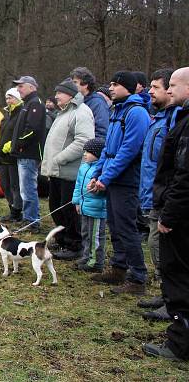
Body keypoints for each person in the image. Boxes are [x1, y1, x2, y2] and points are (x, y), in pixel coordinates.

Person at [89, 71, 150, 295]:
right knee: (114, 225)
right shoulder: (117, 110)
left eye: (115, 84)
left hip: (127, 180)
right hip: (112, 178)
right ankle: (118, 268)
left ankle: (138, 277)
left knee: (126, 227)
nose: (111, 88)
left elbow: (128, 151)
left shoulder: (137, 113)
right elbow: (108, 148)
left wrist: (107, 177)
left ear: (128, 87)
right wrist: (98, 173)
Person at [143, 66, 189, 361]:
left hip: (180, 216)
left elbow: (184, 176)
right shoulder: (181, 120)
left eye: (173, 84)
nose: (168, 90)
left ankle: (179, 344)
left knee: (178, 276)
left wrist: (168, 215)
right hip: (175, 207)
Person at [138, 68, 178, 317]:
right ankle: (166, 294)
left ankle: (173, 301)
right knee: (155, 244)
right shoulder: (159, 118)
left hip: (166, 196)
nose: (150, 91)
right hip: (153, 193)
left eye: (156, 87)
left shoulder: (175, 120)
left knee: (162, 247)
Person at [41, 79, 95, 259]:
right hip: (57, 172)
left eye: (59, 93)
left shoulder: (81, 112)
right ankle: (63, 240)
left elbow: (84, 141)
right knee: (55, 206)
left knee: (69, 209)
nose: (56, 96)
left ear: (70, 94)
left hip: (70, 172)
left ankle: (75, 245)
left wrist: (60, 158)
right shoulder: (63, 112)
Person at [5, 75, 47, 232]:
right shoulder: (27, 104)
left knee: (28, 188)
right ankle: (28, 217)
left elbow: (32, 130)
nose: (18, 89)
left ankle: (32, 220)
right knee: (24, 188)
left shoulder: (35, 104)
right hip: (23, 153)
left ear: (32, 87)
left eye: (21, 86)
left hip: (29, 154)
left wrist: (19, 145)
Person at [72, 138, 108, 273]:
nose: (85, 154)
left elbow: (104, 190)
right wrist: (76, 201)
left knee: (95, 236)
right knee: (86, 233)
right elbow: (78, 186)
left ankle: (96, 262)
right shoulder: (83, 167)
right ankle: (87, 256)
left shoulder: (102, 170)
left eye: (88, 152)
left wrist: (97, 189)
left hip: (97, 209)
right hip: (84, 207)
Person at [0, 89, 23, 222]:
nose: (8, 101)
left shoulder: (21, 114)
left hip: (13, 155)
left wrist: (5, 149)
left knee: (15, 185)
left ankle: (17, 211)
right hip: (2, 156)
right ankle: (11, 207)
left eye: (11, 98)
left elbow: (18, 136)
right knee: (4, 184)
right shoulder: (6, 115)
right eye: (7, 98)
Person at [71, 66, 110, 138]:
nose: (71, 85)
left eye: (75, 82)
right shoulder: (76, 102)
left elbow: (102, 131)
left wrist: (90, 148)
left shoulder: (98, 103)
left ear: (85, 84)